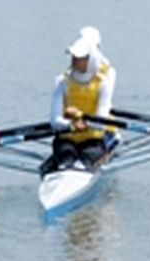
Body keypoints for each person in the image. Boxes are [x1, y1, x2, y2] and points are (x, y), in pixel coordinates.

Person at [41, 26, 119, 176]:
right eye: (74, 57)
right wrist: (71, 125)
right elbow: (54, 121)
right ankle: (65, 168)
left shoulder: (103, 82)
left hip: (93, 139)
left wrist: (81, 119)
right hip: (67, 138)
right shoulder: (61, 81)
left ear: (90, 59)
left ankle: (82, 167)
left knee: (87, 158)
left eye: (80, 58)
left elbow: (101, 121)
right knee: (65, 156)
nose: (74, 60)